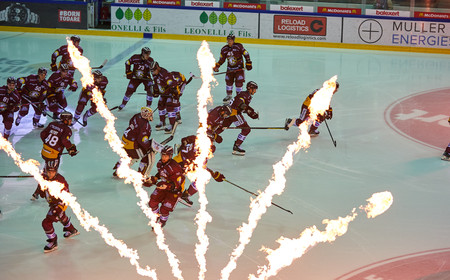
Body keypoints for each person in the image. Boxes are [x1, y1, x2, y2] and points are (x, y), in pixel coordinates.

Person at [31, 162, 79, 253]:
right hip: (53, 203)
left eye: (53, 172)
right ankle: (71, 229)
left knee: (46, 222)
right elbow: (41, 188)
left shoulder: (60, 180)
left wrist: (59, 207)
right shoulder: (44, 177)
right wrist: (40, 191)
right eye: (49, 172)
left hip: (60, 203)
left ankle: (53, 242)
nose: (51, 174)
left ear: (56, 172)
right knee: (61, 216)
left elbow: (66, 195)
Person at [173, 135, 226, 206]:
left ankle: (184, 194)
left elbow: (184, 140)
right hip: (178, 167)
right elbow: (199, 168)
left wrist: (183, 146)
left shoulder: (195, 139)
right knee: (177, 192)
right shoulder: (203, 152)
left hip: (178, 162)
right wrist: (213, 174)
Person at [144, 146, 184, 227]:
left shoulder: (175, 167)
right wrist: (155, 178)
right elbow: (161, 172)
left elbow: (177, 183)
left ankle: (162, 221)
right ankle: (156, 216)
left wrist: (167, 186)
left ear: (170, 156)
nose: (163, 157)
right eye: (162, 155)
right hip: (163, 186)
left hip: (174, 191)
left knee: (164, 209)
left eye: (166, 156)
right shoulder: (160, 163)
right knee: (152, 202)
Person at [113, 107, 154, 177]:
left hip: (124, 139)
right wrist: (148, 147)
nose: (151, 116)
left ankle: (118, 168)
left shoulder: (137, 115)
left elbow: (131, 122)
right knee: (143, 155)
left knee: (127, 154)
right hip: (131, 144)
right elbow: (142, 140)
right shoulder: (145, 126)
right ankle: (142, 173)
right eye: (150, 114)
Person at [221, 81, 259, 156]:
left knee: (221, 127)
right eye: (254, 89)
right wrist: (250, 111)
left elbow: (243, 107)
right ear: (249, 88)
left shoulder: (246, 95)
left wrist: (251, 113)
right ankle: (237, 146)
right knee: (246, 129)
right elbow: (240, 104)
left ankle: (207, 139)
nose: (255, 91)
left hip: (229, 113)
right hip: (234, 113)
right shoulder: (244, 95)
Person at [213, 32, 252, 103]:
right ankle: (229, 96)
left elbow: (246, 54)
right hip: (230, 69)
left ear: (233, 40)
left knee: (239, 83)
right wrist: (217, 66)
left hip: (239, 69)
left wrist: (248, 62)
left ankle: (239, 97)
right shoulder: (224, 49)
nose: (229, 41)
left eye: (231, 40)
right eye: (228, 40)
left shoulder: (239, 46)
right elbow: (222, 59)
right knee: (228, 81)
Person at [151, 61, 181, 133]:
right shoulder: (155, 74)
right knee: (160, 105)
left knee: (169, 106)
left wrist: (174, 93)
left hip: (171, 93)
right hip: (164, 93)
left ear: (157, 68)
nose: (152, 73)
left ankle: (172, 125)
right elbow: (156, 84)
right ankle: (162, 122)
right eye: (151, 71)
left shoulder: (165, 74)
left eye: (154, 70)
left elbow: (173, 85)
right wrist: (155, 91)